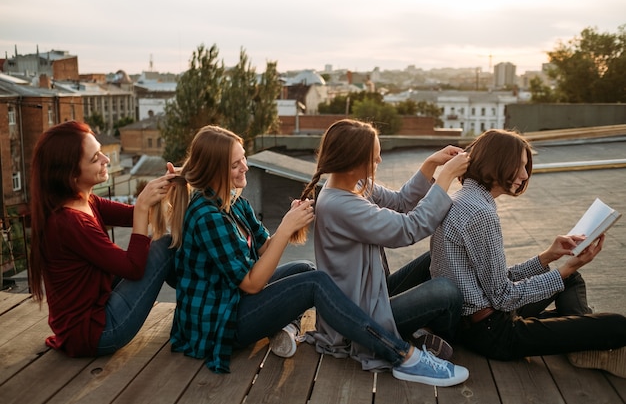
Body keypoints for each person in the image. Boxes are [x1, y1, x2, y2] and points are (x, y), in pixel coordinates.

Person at [157, 125, 469, 386]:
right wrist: (285, 229)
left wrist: (430, 167)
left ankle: (289, 325)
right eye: (236, 164)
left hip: (233, 300)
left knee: (304, 268)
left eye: (244, 159)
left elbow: (264, 248)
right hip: (220, 322)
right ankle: (402, 354)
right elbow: (251, 283)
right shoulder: (207, 215)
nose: (246, 167)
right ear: (215, 171)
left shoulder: (233, 201)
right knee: (314, 282)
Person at [430, 128, 626, 378]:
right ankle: (584, 341)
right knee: (618, 325)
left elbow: (495, 280)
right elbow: (502, 295)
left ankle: (581, 340)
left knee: (569, 281)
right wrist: (569, 266)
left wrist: (548, 257)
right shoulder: (481, 213)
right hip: (493, 333)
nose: (524, 175)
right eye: (519, 166)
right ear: (497, 162)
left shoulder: (462, 198)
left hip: (474, 320)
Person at [293, 119, 470, 370]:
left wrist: (430, 164)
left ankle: (422, 330)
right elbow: (409, 229)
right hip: (362, 317)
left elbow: (400, 201)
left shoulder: (354, 186)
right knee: (446, 291)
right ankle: (435, 335)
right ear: (354, 161)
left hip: (374, 293)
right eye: (375, 158)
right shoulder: (341, 205)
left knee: (434, 259)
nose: (379, 162)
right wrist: (447, 176)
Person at [28, 120, 177, 357]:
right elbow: (134, 267)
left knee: (160, 244)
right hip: (96, 332)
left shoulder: (84, 201)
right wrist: (142, 206)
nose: (106, 160)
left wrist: (165, 186)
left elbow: (135, 214)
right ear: (71, 174)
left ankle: (200, 306)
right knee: (165, 246)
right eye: (95, 158)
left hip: (94, 313)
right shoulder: (69, 222)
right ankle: (203, 310)